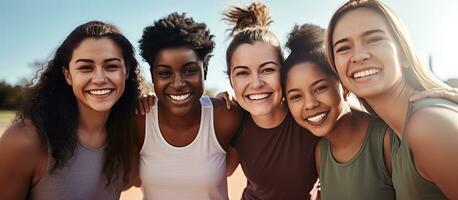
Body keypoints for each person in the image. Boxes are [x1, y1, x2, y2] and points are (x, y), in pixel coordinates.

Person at [325, 0, 458, 199]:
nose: (359, 56)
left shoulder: (427, 124)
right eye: (343, 48)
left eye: (374, 39)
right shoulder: (395, 133)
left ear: (403, 54)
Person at [0, 21, 140, 199]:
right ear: (68, 75)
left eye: (111, 66)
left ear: (126, 72)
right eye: (85, 67)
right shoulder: (26, 141)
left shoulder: (129, 137)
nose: (99, 78)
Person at [281, 23, 395, 200]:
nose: (310, 104)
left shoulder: (387, 140)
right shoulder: (321, 152)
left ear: (344, 86)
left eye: (320, 88)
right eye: (296, 96)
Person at [136, 12, 242, 200]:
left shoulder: (226, 117)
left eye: (189, 70)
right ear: (153, 76)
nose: (178, 83)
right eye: (165, 73)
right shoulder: (139, 119)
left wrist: (240, 100)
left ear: (205, 71)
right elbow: (128, 180)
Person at [222, 3, 319, 199]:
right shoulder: (232, 120)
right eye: (242, 73)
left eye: (267, 70)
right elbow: (222, 171)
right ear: (231, 80)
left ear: (284, 73)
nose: (256, 83)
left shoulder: (309, 114)